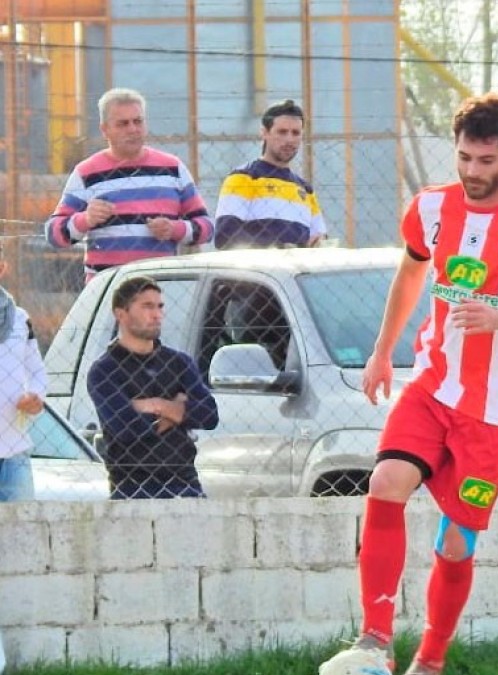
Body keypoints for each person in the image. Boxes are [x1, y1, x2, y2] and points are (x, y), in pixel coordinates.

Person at [352, 93, 498, 675]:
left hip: (493, 416)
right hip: (432, 385)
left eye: (485, 159)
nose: (472, 171)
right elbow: (410, 276)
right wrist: (381, 352)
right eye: (463, 157)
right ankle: (376, 638)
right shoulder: (429, 208)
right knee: (386, 482)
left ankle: (430, 659)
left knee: (455, 544)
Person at [45, 87, 214, 282]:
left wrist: (174, 229)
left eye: (138, 121)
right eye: (123, 124)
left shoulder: (172, 168)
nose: (133, 129)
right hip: (108, 289)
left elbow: (207, 228)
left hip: (160, 288)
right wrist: (86, 219)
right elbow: (54, 234)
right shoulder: (86, 173)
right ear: (105, 130)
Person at [87, 276, 219, 499]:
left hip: (184, 482)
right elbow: (128, 429)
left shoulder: (179, 363)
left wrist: (155, 405)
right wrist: (177, 411)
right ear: (121, 314)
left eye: (159, 306)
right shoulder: (104, 371)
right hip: (132, 486)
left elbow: (209, 415)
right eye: (147, 306)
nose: (157, 314)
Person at [213, 99, 327, 249]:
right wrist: (281, 250)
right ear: (264, 133)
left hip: (298, 271)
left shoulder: (305, 190)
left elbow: (320, 238)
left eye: (296, 133)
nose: (289, 139)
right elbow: (226, 236)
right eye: (282, 132)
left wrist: (319, 242)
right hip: (257, 271)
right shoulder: (243, 178)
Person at [0, 255, 48, 502]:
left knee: (23, 536)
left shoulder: (20, 319)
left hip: (14, 454)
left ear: (2, 267)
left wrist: (36, 398)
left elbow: (38, 372)